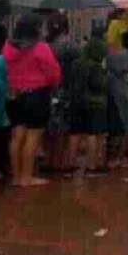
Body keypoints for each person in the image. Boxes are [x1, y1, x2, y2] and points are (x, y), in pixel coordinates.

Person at [2, 14, 62, 186]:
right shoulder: (40, 48)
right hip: (36, 95)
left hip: (14, 95)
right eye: (41, 26)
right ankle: (27, 177)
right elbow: (53, 74)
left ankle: (16, 175)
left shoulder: (8, 46)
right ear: (36, 28)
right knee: (32, 137)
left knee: (16, 136)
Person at [68, 38, 110, 177]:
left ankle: (70, 164)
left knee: (75, 133)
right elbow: (100, 85)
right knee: (93, 133)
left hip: (76, 102)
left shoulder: (75, 64)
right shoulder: (96, 67)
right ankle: (92, 166)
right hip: (94, 103)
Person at [44, 13, 79, 173]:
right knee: (62, 129)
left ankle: (48, 159)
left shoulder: (45, 44)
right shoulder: (70, 45)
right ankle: (59, 162)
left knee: (49, 129)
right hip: (65, 90)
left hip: (46, 90)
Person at [106, 31, 128, 168]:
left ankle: (110, 156)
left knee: (114, 126)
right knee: (127, 125)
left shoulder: (112, 56)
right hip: (126, 93)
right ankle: (121, 156)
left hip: (112, 91)